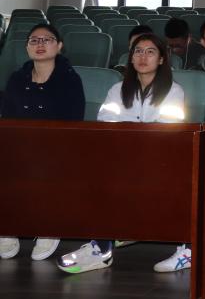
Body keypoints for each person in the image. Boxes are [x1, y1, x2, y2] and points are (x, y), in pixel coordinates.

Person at [57, 35, 189, 275]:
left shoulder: (174, 91)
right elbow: (106, 124)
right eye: (138, 51)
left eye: (150, 52)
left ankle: (117, 240)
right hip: (120, 158)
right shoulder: (117, 90)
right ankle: (101, 248)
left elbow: (168, 131)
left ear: (161, 59)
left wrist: (132, 137)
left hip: (161, 160)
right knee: (95, 176)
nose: (143, 57)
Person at [0, 24, 85, 264]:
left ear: (59, 46)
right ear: (27, 47)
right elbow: (8, 120)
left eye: (46, 39)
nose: (39, 44)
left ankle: (49, 226)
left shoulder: (70, 79)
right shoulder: (17, 78)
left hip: (58, 147)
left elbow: (73, 123)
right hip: (20, 146)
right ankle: (7, 225)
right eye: (34, 40)